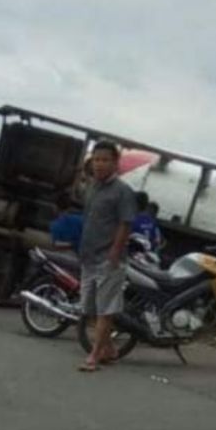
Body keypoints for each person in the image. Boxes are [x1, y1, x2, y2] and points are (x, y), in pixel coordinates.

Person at [78, 140, 136, 372]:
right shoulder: (92, 187)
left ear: (115, 163)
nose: (99, 164)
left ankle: (94, 355)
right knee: (89, 308)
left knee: (105, 309)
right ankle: (109, 349)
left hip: (109, 259)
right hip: (88, 256)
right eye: (96, 159)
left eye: (105, 160)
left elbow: (125, 223)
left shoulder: (123, 192)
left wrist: (114, 252)